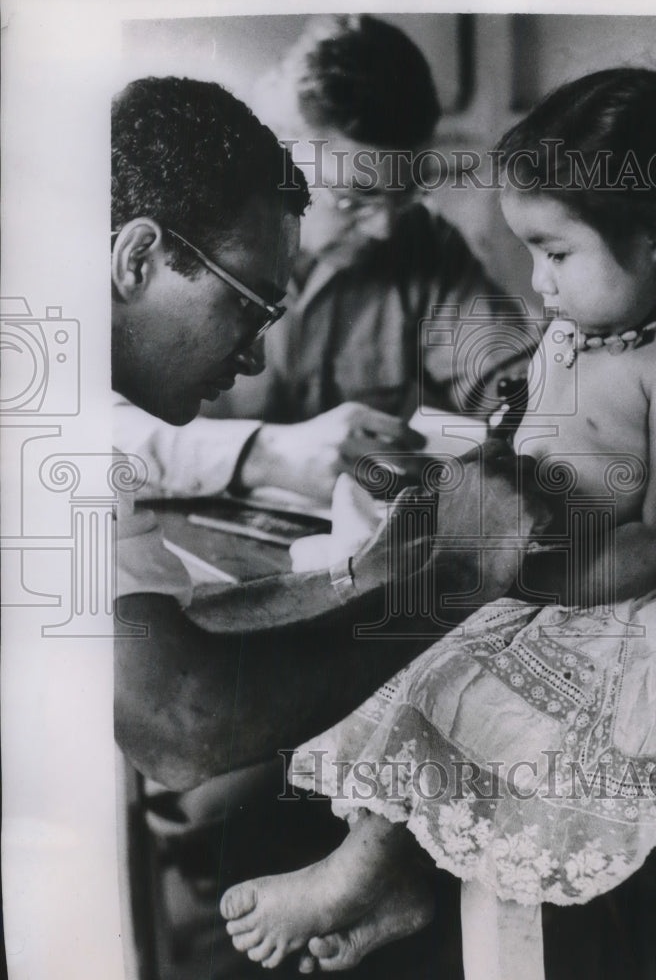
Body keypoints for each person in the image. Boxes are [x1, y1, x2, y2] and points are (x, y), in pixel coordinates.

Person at [217, 68, 656, 973]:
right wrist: (470, 474)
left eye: (554, 253)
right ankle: (380, 867)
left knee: (454, 679)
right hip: (542, 556)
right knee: (382, 641)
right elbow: (532, 438)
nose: (537, 282)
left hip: (614, 599)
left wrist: (539, 575)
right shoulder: (581, 326)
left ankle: (369, 871)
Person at [111, 74, 544, 794]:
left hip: (240, 583)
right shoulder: (44, 411)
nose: (252, 354)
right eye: (247, 308)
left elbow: (174, 621)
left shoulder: (413, 250)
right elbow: (181, 723)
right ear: (137, 259)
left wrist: (361, 577)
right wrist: (456, 578)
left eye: (398, 199)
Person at [115, 14, 536, 505]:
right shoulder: (188, 236)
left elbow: (516, 384)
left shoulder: (424, 244)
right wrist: (261, 452)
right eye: (355, 197)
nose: (385, 228)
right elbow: (79, 426)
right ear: (278, 153)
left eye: (404, 196)